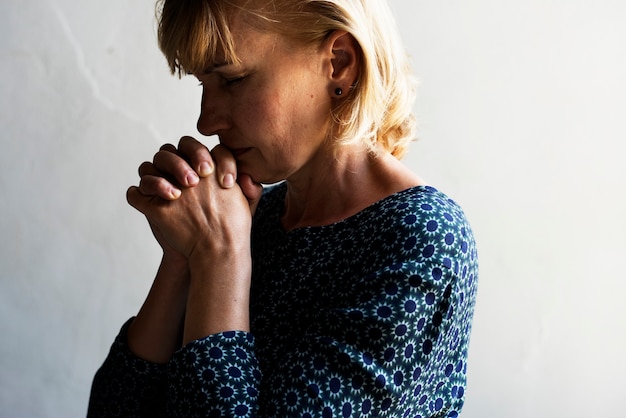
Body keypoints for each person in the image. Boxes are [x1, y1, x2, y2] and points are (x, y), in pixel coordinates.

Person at [88, 0, 479, 416]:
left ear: (339, 64)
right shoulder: (256, 220)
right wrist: (184, 259)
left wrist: (219, 255)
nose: (206, 120)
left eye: (233, 80)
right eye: (204, 84)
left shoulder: (423, 239)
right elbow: (114, 408)